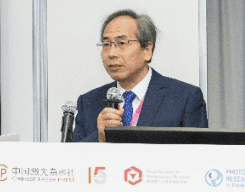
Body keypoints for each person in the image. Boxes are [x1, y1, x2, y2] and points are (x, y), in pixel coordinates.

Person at [71, 9, 207, 142]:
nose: (111, 53)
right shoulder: (88, 102)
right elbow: (73, 155)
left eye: (122, 43)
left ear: (147, 50)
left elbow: (198, 154)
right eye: (106, 44)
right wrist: (99, 137)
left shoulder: (184, 98)